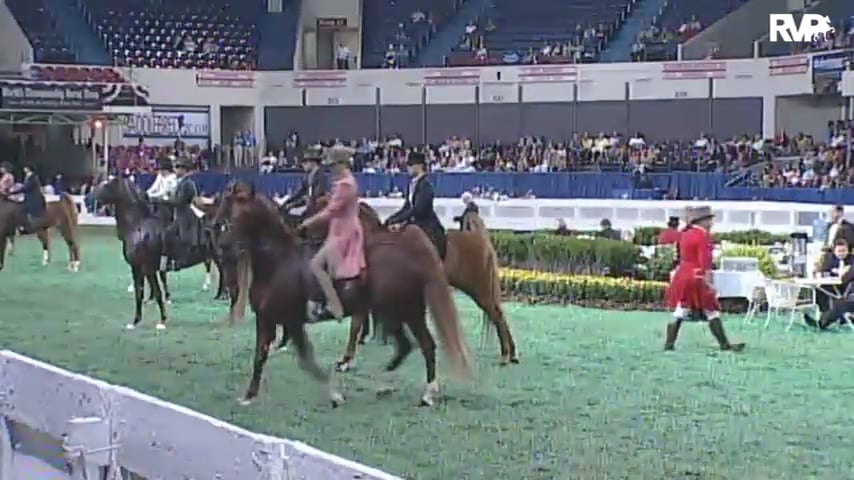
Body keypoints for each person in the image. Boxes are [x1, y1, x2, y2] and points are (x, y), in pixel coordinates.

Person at [663, 206, 745, 352]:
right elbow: (705, 262)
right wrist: (709, 283)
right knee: (711, 309)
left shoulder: (685, 234)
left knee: (682, 308)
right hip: (697, 276)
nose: (712, 223)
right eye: (710, 220)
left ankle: (669, 343)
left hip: (683, 274)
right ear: (702, 220)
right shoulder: (702, 236)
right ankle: (724, 344)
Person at [299, 148, 365, 321]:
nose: (331, 169)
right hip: (338, 229)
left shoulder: (345, 185)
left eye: (333, 165)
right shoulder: (343, 182)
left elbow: (331, 211)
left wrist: (308, 222)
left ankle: (335, 305)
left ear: (342, 164)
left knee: (317, 265)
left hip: (344, 231)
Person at [385, 151, 447, 259]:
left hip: (427, 226)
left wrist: (401, 221)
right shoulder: (412, 184)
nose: (408, 168)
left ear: (419, 166)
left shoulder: (425, 185)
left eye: (410, 165)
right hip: (414, 223)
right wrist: (391, 220)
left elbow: (418, 210)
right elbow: (406, 208)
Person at [804, 238, 854, 330]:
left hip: (848, 289)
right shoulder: (829, 259)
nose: (841, 253)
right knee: (821, 291)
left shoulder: (852, 260)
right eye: (839, 251)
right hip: (834, 286)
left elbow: (847, 277)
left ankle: (821, 323)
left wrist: (844, 273)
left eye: (844, 250)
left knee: (841, 304)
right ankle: (824, 317)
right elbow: (823, 271)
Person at [161, 157, 200, 271]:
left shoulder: (187, 184)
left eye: (178, 167)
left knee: (168, 234)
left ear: (184, 170)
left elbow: (179, 201)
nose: (175, 170)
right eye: (176, 167)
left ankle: (173, 262)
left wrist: (163, 201)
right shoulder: (182, 182)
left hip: (185, 215)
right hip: (181, 213)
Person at [281, 148, 330, 218]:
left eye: (305, 163)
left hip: (317, 209)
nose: (303, 165)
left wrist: (295, 204)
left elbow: (316, 195)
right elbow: (299, 192)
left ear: (313, 163)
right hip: (308, 205)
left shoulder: (322, 176)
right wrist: (287, 202)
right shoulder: (307, 176)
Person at [5, 165, 46, 234]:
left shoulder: (33, 177)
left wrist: (12, 193)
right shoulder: (28, 176)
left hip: (33, 198)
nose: (24, 169)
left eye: (25, 168)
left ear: (28, 168)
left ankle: (27, 227)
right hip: (28, 197)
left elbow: (26, 188)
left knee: (22, 210)